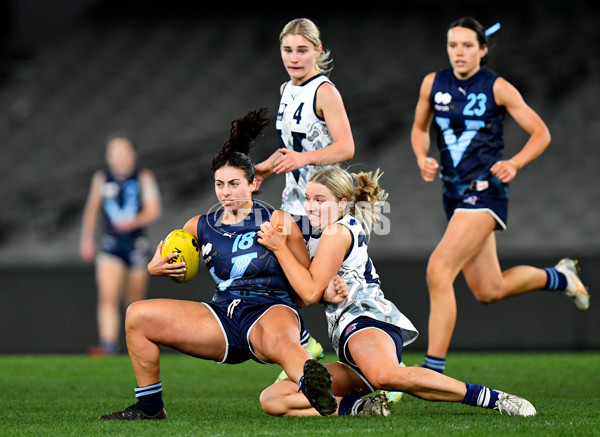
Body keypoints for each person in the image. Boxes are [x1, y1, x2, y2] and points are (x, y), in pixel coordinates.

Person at [98, 109, 349, 421]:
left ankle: (316, 387)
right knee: (137, 315)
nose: (226, 192)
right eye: (220, 184)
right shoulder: (199, 226)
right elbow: (172, 260)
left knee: (280, 340)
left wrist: (325, 290)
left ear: (253, 184)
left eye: (234, 184)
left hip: (270, 310)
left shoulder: (278, 221)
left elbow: (305, 285)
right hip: (223, 317)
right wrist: (155, 268)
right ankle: (149, 409)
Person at [257, 166, 537, 417]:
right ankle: (361, 409)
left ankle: (495, 399)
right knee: (274, 398)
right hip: (348, 339)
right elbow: (307, 294)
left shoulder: (336, 233)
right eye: (307, 199)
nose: (310, 207)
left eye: (320, 200)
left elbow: (307, 293)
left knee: (386, 376)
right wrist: (325, 292)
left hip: (366, 322)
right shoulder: (324, 236)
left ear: (342, 204)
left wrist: (281, 249)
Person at [410, 16, 590, 374]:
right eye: (452, 45)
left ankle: (432, 372)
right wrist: (421, 157)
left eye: (466, 45)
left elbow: (541, 132)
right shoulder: (433, 83)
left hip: (485, 194)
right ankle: (561, 277)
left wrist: (516, 163)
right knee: (489, 289)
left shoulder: (498, 87)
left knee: (438, 269)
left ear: (483, 49)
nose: (458, 52)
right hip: (453, 194)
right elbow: (419, 128)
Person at [254, 17, 357, 385]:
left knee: (337, 295)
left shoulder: (324, 92)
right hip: (294, 204)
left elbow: (346, 147)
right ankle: (305, 355)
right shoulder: (287, 88)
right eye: (287, 50)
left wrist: (305, 160)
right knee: (287, 283)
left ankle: (376, 374)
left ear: (317, 50)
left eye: (302, 50)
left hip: (324, 207)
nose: (294, 58)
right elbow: (293, 148)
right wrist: (266, 169)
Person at [80, 133, 161, 356]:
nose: (119, 157)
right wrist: (86, 239)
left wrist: (132, 222)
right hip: (110, 244)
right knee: (107, 295)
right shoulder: (101, 178)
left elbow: (153, 209)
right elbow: (92, 210)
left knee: (134, 301)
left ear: (133, 154)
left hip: (136, 244)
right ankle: (107, 343)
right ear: (108, 156)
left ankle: (136, 344)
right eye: (114, 151)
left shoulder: (143, 177)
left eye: (124, 151)